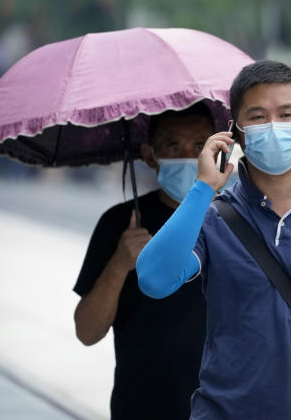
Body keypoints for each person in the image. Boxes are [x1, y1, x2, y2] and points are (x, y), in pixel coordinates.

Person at [136, 60, 291, 419]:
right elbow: (153, 280)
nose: (273, 127)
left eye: (286, 114)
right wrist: (203, 188)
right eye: (257, 117)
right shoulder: (211, 215)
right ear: (235, 133)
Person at [73, 103, 213, 420]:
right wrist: (120, 263)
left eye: (199, 146)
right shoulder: (120, 224)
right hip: (140, 408)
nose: (188, 157)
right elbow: (87, 331)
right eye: (173, 146)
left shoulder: (237, 222)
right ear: (150, 156)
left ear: (217, 152)